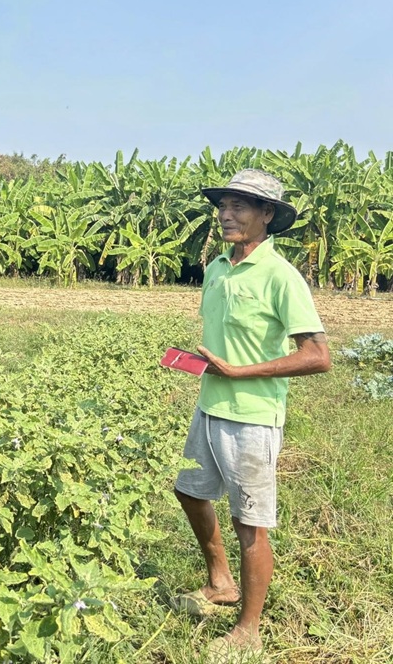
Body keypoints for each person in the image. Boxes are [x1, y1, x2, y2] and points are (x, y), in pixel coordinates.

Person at [171, 169, 331, 662]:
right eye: (223, 204)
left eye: (241, 206)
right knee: (188, 491)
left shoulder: (281, 276)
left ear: (267, 216)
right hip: (210, 404)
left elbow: (318, 355)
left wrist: (241, 373)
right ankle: (220, 582)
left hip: (252, 416)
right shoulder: (218, 265)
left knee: (249, 525)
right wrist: (207, 365)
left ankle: (249, 629)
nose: (227, 213)